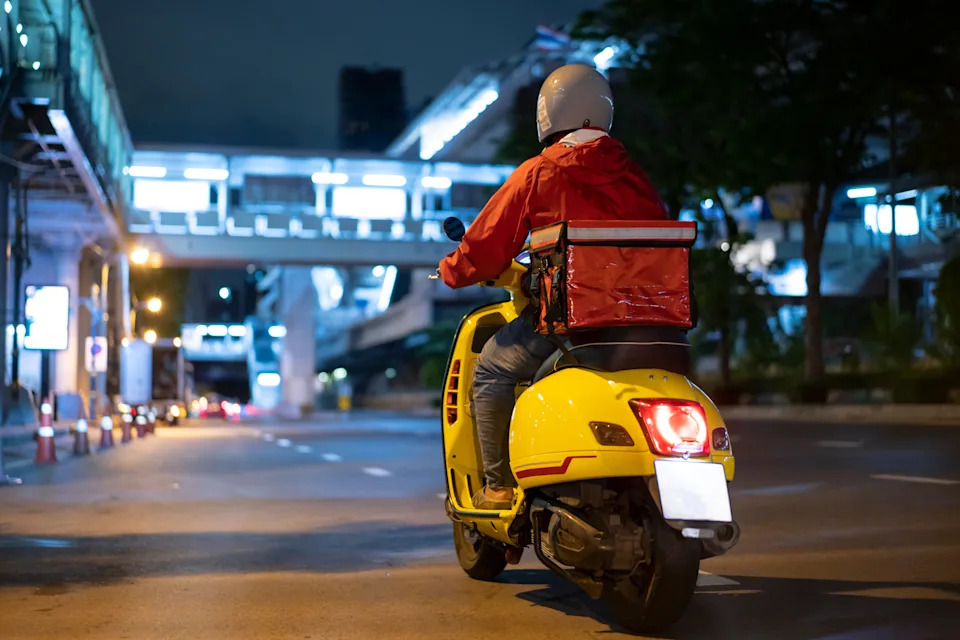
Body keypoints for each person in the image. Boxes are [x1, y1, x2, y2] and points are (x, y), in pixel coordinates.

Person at [438, 64, 669, 510]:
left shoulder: (538, 173)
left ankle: (498, 485)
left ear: (547, 113)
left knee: (490, 372)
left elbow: (484, 249)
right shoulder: (635, 176)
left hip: (569, 321)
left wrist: (452, 269)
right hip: (642, 321)